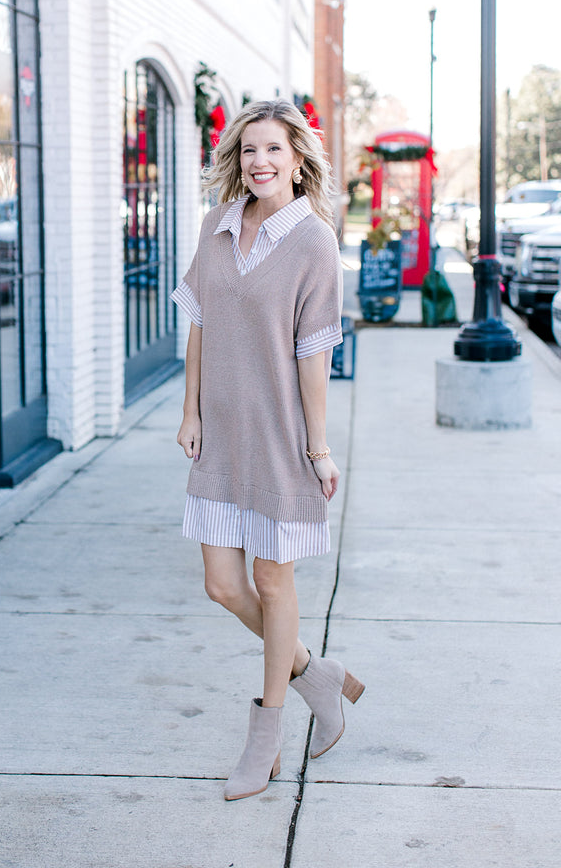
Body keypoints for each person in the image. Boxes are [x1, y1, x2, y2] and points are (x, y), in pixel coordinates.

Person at [171, 99, 364, 802]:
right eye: (249, 150)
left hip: (280, 435)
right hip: (219, 432)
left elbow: (313, 356)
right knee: (221, 584)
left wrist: (319, 449)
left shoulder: (314, 242)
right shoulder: (217, 225)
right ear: (236, 157)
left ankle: (268, 731)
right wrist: (189, 410)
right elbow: (198, 324)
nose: (260, 162)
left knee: (276, 583)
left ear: (298, 157)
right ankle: (314, 671)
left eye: (273, 150)